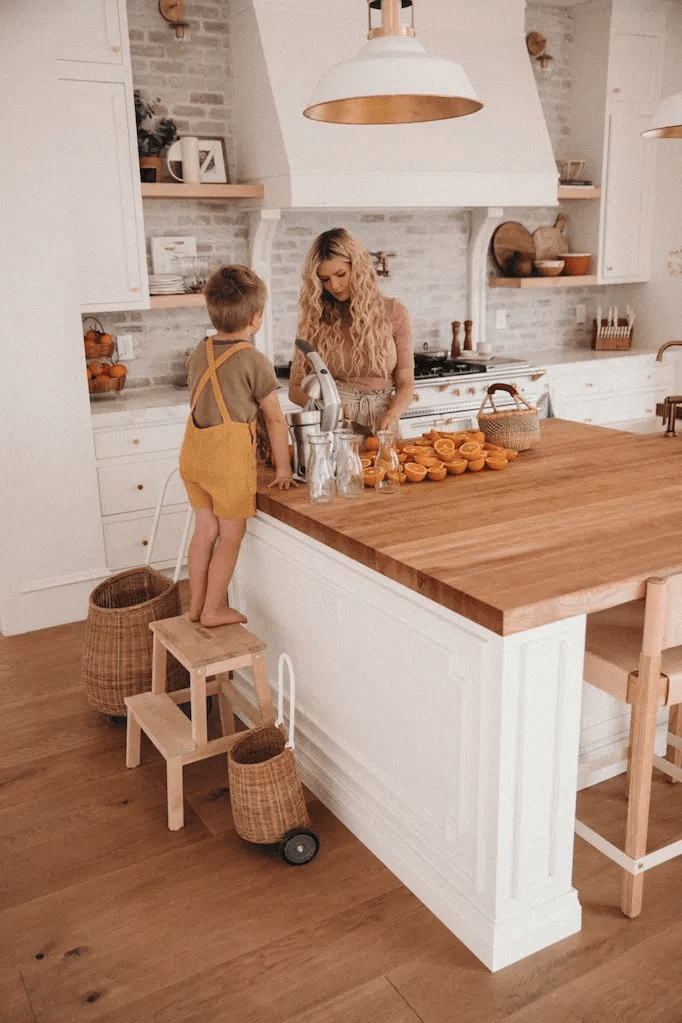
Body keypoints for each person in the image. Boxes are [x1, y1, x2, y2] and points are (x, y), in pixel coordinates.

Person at [179, 264, 296, 628]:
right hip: (226, 463)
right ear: (256, 317)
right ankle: (214, 609)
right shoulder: (254, 360)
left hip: (194, 455)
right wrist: (283, 468)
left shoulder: (200, 350)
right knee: (231, 536)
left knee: (205, 531)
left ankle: (197, 604)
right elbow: (275, 419)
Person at [288, 227, 414, 434]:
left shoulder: (394, 312)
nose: (334, 286)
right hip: (336, 424)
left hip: (384, 424)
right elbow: (294, 390)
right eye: (325, 279)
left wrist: (393, 414)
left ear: (358, 268)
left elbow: (406, 383)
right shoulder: (315, 318)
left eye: (341, 274)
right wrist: (326, 408)